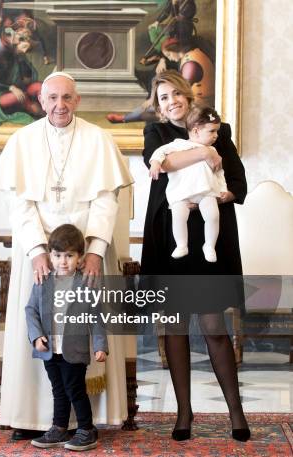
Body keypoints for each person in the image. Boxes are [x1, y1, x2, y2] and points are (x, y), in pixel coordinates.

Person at [0, 71, 133, 439]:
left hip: (86, 253)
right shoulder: (23, 141)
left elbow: (106, 199)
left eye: (67, 98)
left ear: (78, 100)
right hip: (39, 255)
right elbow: (19, 203)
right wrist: (37, 251)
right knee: (41, 327)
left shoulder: (98, 139)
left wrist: (96, 250)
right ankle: (35, 417)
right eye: (52, 98)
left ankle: (89, 419)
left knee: (86, 327)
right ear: (42, 102)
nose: (60, 105)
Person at [141, 70, 250, 442]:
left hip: (209, 244)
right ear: (158, 106)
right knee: (174, 326)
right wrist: (204, 151)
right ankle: (183, 413)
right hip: (170, 240)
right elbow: (163, 165)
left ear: (187, 95)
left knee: (213, 327)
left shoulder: (219, 130)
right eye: (163, 97)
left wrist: (221, 196)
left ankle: (236, 411)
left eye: (175, 93)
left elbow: (238, 183)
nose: (171, 101)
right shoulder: (156, 135)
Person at [25, 224, 108, 451]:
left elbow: (97, 317)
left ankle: (86, 430)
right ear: (50, 256)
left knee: (75, 389)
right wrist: (36, 336)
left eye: (69, 255)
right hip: (50, 349)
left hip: (75, 350)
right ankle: (59, 428)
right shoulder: (43, 282)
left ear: (80, 258)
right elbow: (30, 310)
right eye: (58, 255)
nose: (63, 261)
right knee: (58, 390)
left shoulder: (86, 284)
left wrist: (101, 346)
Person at [149, 105, 227, 262]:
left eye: (216, 131)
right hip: (182, 193)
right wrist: (155, 163)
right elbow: (159, 152)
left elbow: (219, 172)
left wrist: (223, 189)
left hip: (206, 192)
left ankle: (210, 245)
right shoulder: (178, 144)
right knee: (178, 216)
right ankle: (181, 245)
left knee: (213, 216)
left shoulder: (213, 151)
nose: (216, 135)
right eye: (212, 131)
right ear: (196, 131)